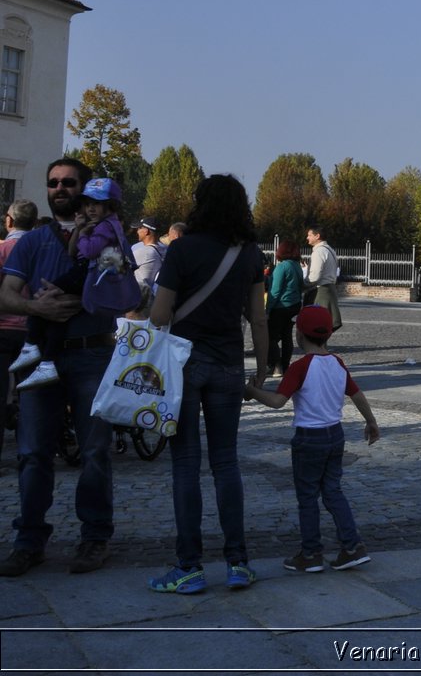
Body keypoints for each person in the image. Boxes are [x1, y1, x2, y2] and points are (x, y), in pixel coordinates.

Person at [146, 174, 269, 594]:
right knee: (226, 462)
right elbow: (258, 316)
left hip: (184, 365)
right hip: (229, 365)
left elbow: (161, 315)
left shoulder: (181, 250)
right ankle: (238, 563)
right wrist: (264, 366)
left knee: (185, 464)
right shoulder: (250, 252)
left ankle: (189, 567)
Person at [0, 158, 116, 577]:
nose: (59, 188)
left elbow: (127, 297)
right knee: (32, 452)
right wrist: (36, 305)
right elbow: (6, 294)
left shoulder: (108, 239)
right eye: (53, 183)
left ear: (84, 189)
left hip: (92, 354)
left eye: (68, 182)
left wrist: (89, 299)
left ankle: (95, 537)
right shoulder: (31, 242)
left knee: (96, 450)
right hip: (40, 355)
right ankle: (29, 540)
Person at [245, 305, 380, 574]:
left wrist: (249, 390)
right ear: (328, 334)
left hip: (309, 439)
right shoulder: (338, 363)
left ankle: (311, 554)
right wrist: (371, 421)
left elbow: (277, 401)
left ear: (299, 335)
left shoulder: (300, 367)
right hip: (335, 436)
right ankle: (353, 547)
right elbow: (356, 394)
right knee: (333, 491)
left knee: (307, 497)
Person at [12, 176, 127, 391]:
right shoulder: (97, 225)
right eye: (88, 204)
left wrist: (83, 235)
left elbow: (89, 251)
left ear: (110, 206)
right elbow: (72, 251)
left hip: (89, 274)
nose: (91, 209)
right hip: (84, 272)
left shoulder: (108, 227)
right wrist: (80, 231)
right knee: (51, 304)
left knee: (48, 299)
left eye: (98, 204)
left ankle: (35, 350)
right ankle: (38, 353)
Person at [0, 200, 39, 462]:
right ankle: (31, 452)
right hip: (33, 328)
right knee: (32, 397)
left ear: (9, 221)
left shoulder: (3, 249)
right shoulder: (41, 249)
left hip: (2, 329)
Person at [266, 240, 304, 377]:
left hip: (281, 306)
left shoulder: (282, 267)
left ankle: (276, 365)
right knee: (287, 336)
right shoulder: (297, 266)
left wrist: (268, 309)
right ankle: (285, 365)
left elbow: (275, 291)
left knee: (271, 337)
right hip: (294, 305)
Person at [128, 218, 165, 319]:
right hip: (152, 301)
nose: (137, 231)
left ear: (147, 231)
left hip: (138, 304)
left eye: (139, 228)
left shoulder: (145, 252)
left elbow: (119, 265)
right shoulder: (163, 249)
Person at [305, 227, 340, 331]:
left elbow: (314, 276)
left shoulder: (319, 251)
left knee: (318, 326)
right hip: (329, 289)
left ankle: (319, 347)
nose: (307, 238)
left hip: (321, 292)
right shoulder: (330, 250)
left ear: (317, 236)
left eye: (310, 235)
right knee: (324, 325)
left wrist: (303, 286)